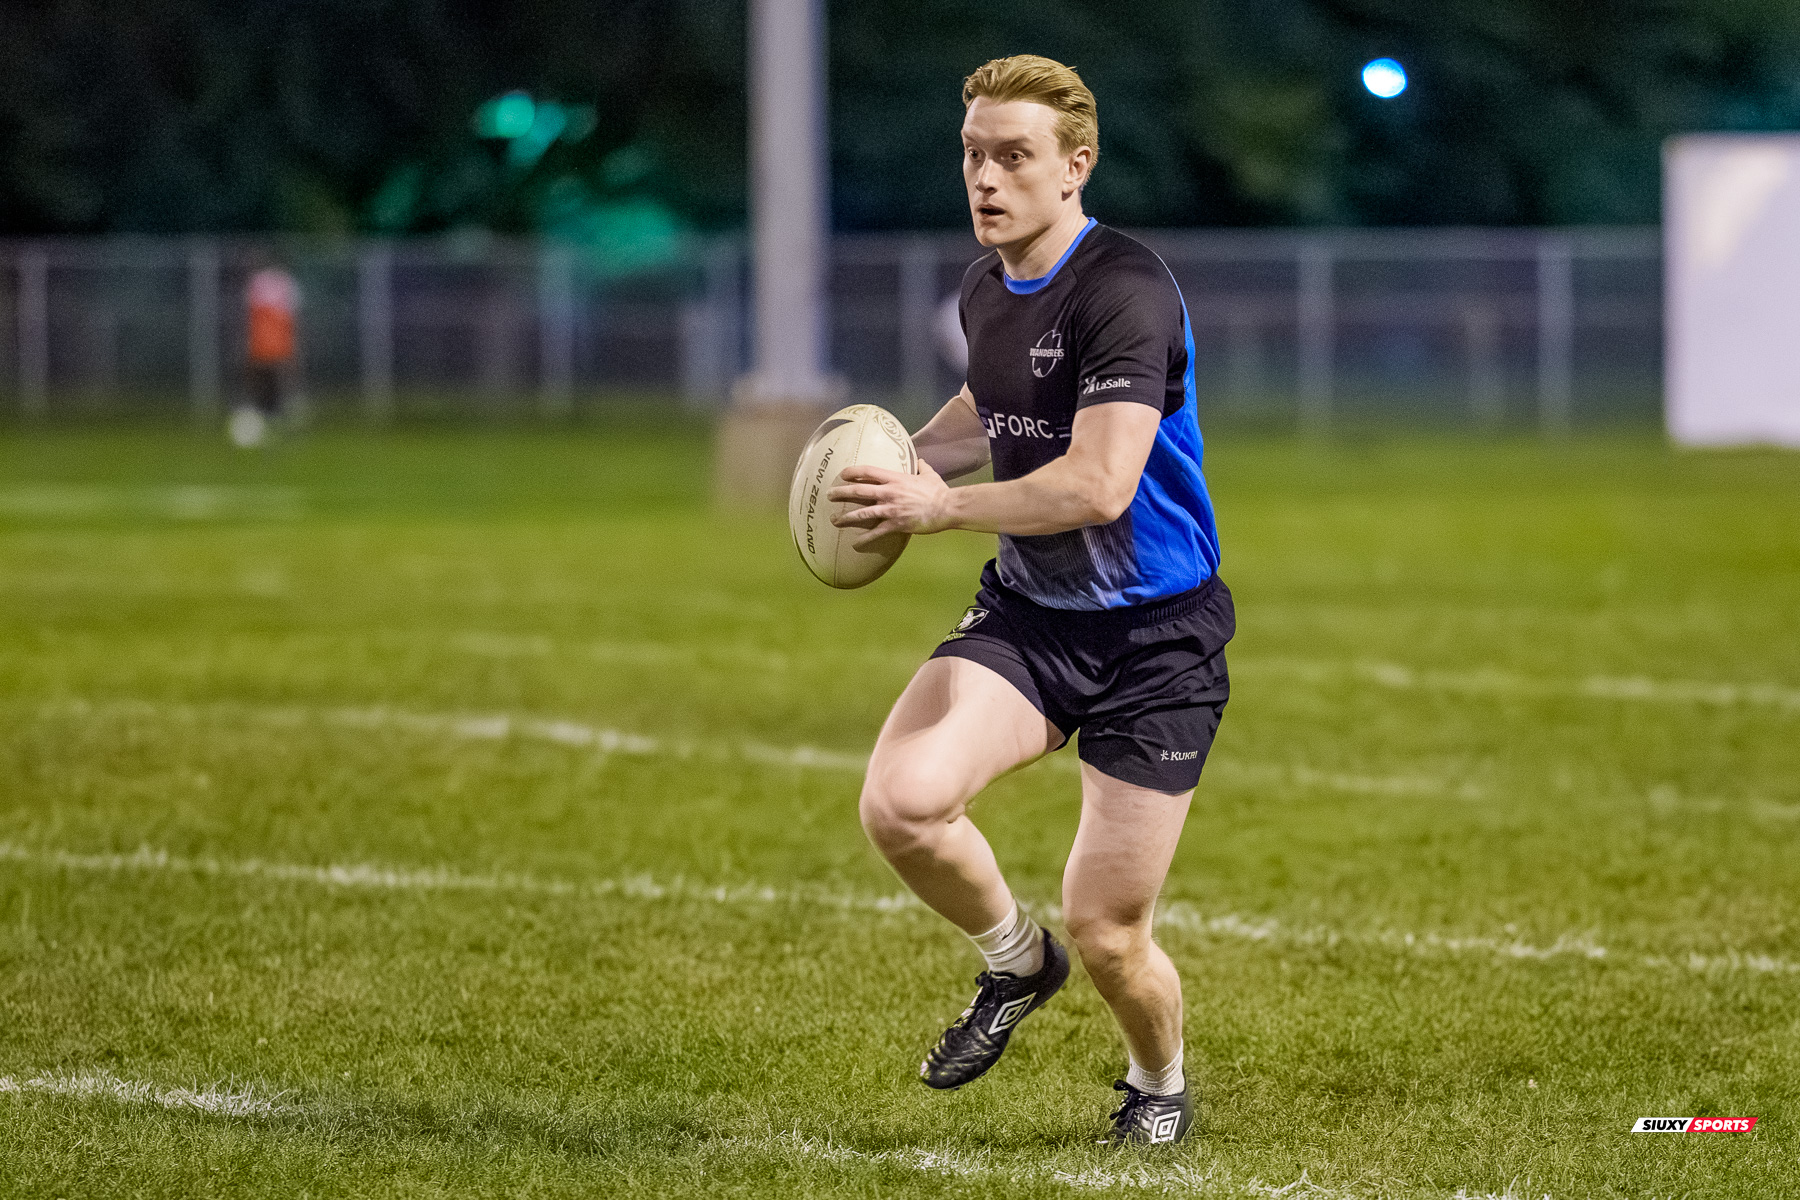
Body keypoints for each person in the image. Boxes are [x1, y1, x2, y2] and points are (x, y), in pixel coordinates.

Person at [827, 54, 1231, 1146]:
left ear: (1075, 168)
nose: (987, 179)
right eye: (973, 155)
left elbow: (1098, 485)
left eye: (1013, 157)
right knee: (901, 804)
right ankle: (1015, 962)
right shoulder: (983, 283)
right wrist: (892, 465)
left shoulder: (1126, 290)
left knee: (1111, 931)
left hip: (1158, 640)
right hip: (1031, 615)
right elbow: (986, 404)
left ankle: (1159, 1084)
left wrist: (938, 513)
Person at [232, 262, 301, 447]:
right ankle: (265, 420)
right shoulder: (278, 283)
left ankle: (271, 419)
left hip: (270, 344)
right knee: (264, 383)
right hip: (266, 344)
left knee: (271, 383)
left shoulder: (273, 283)